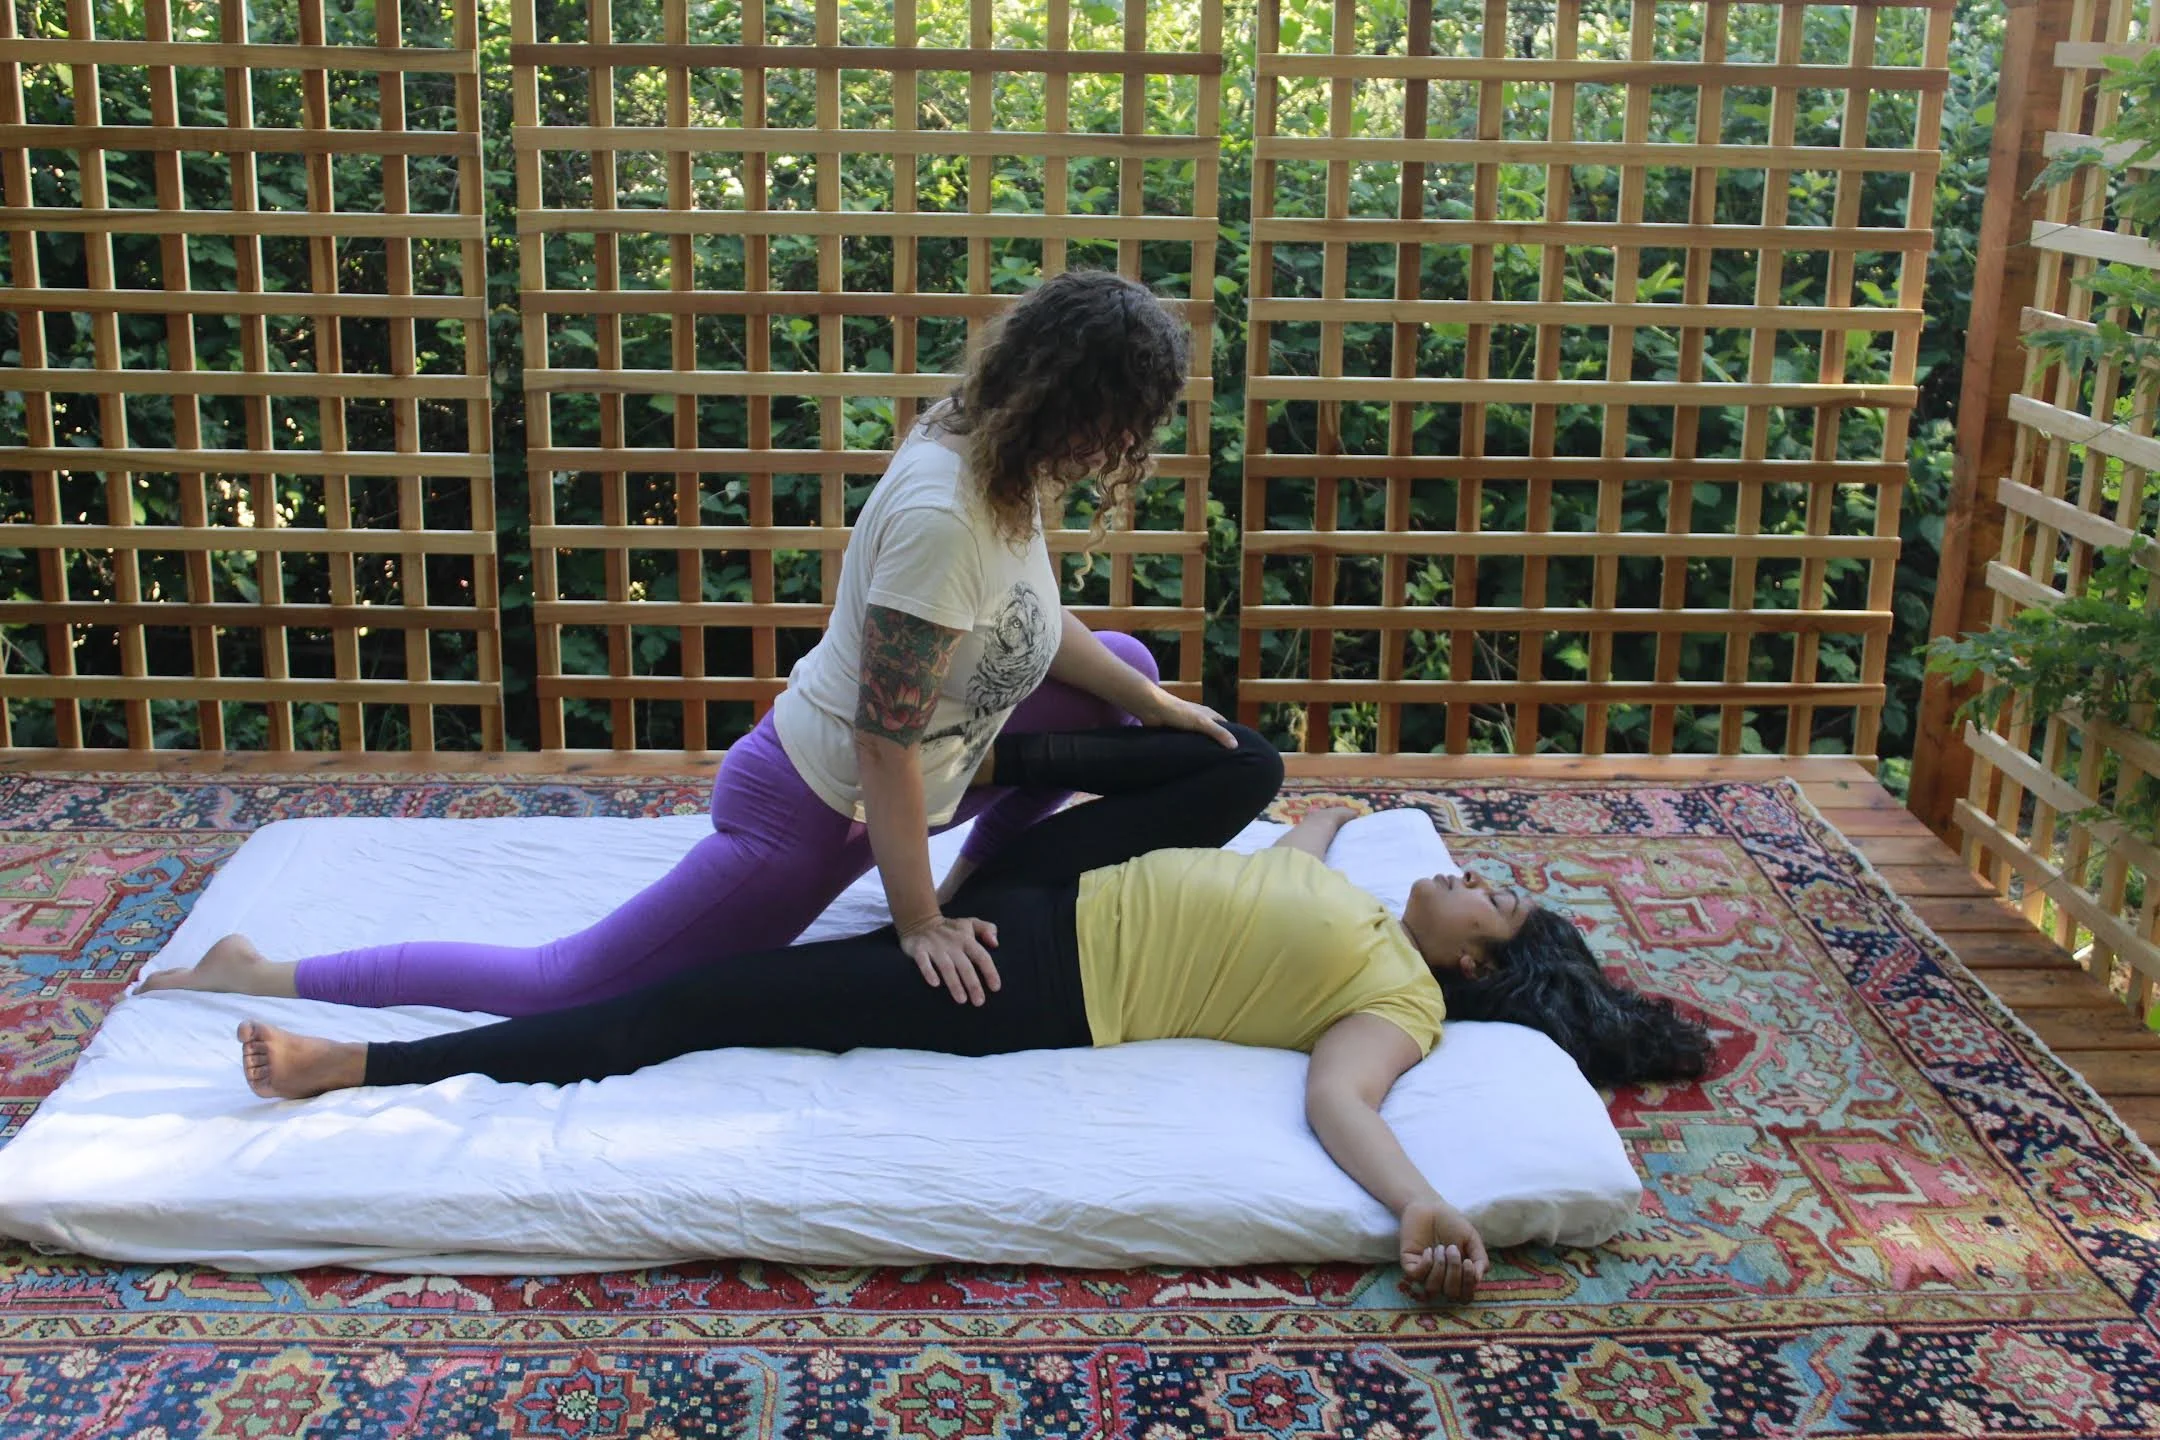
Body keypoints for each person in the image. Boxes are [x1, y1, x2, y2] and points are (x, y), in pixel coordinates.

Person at [225, 726, 1715, 1305]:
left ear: (1477, 971)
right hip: (1052, 882)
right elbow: (1298, 824)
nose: (1462, 874)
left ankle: (365, 1061)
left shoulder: (1394, 1001)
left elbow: (1341, 1101)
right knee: (1246, 761)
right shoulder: (1360, 897)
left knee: (688, 1007)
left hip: (1033, 978)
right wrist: (1311, 816)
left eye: (1488, 901)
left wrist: (1420, 1203)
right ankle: (966, 736)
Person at [143, 270, 1234, 1016]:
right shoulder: (947, 515)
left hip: (921, 776)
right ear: (1069, 404)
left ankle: (980, 882)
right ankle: (261, 973)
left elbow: (1024, 626)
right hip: (814, 807)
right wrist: (916, 924)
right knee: (569, 985)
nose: (1120, 447)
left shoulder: (1003, 457)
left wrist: (1156, 706)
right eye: (1121, 421)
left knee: (1127, 674)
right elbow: (882, 741)